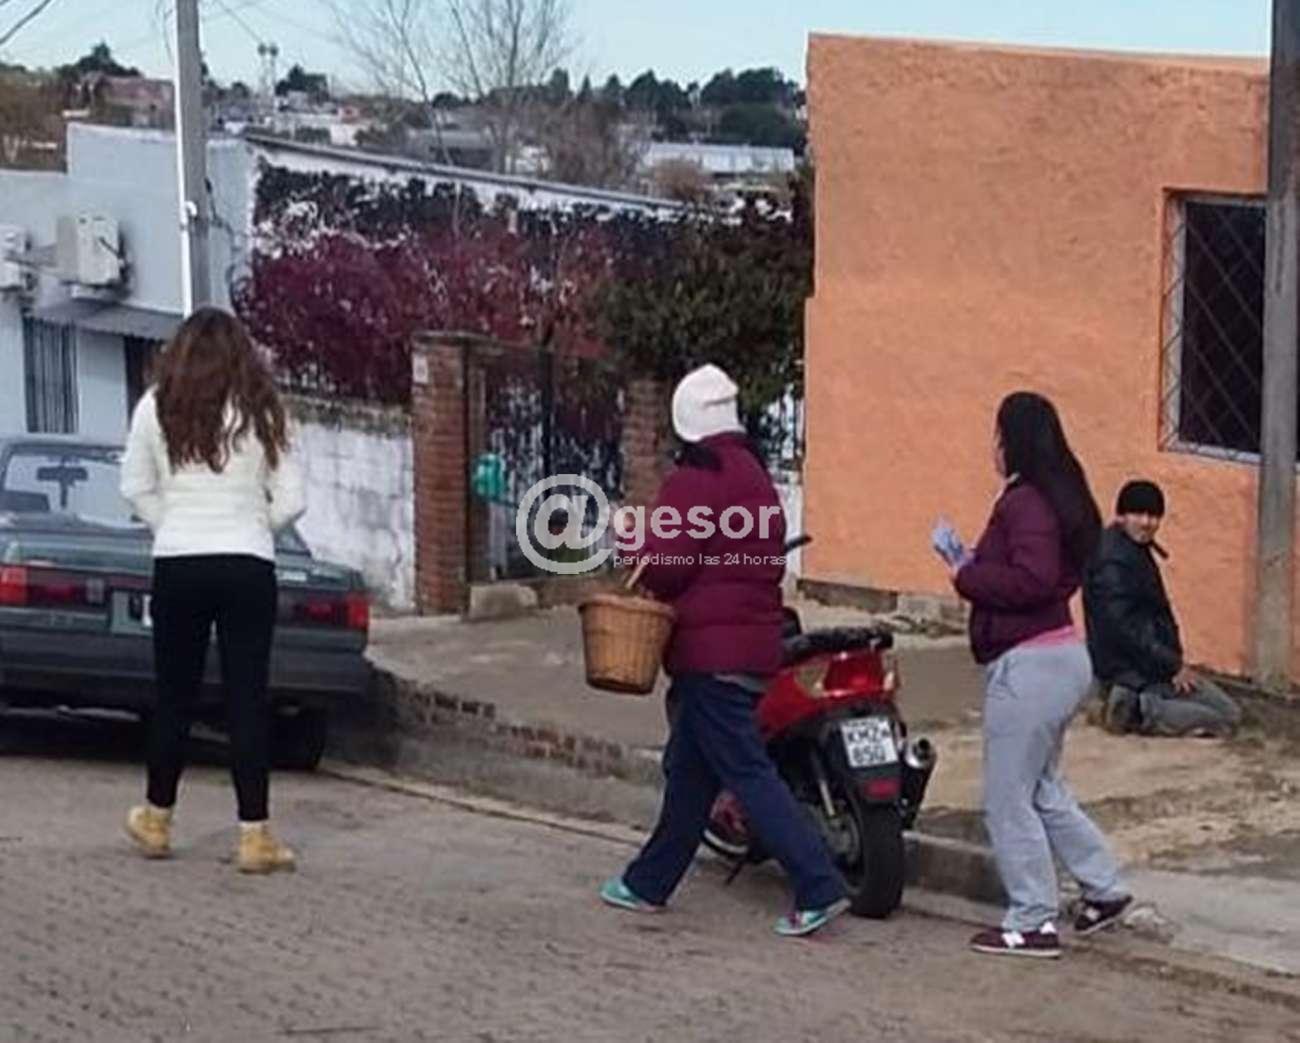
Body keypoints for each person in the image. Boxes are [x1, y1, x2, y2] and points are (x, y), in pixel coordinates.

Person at [598, 363, 848, 937]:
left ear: (684, 421)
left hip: (710, 656)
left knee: (747, 773)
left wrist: (633, 542)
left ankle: (818, 883)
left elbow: (668, 565)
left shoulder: (696, 477)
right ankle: (648, 883)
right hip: (753, 646)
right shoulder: (755, 477)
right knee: (690, 774)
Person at [942, 391, 1132, 958]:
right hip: (1061, 656)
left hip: (1028, 667)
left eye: (998, 436)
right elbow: (1046, 576)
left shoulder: (1025, 502)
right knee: (1044, 788)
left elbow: (1031, 579)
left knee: (1008, 798)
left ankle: (1032, 920)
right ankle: (1103, 888)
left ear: (1014, 441)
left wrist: (967, 575)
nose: (993, 448)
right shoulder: (1061, 496)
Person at [120, 306, 305, 875]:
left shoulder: (156, 407)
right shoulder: (263, 409)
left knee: (173, 694)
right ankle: (255, 836)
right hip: (247, 564)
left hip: (179, 562)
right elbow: (293, 499)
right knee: (246, 696)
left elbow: (135, 487)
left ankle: (156, 820)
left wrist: (172, 525)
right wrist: (253, 526)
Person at [1083, 480, 1242, 739]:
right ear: (1121, 516)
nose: (1147, 522)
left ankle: (1133, 702)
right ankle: (1136, 710)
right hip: (1133, 670)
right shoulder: (1113, 561)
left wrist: (1171, 662)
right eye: (1138, 514)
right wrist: (1172, 665)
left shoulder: (1135, 550)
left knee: (1230, 713)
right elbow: (1125, 629)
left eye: (1153, 516)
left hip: (1151, 666)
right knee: (1222, 720)